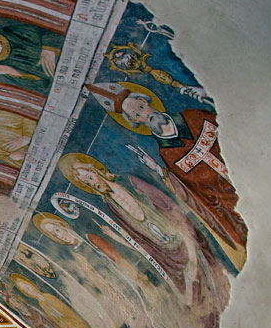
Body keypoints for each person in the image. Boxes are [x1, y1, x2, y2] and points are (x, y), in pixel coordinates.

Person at [86, 81, 247, 265]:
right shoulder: (166, 152)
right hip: (222, 200)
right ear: (136, 122)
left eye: (141, 107)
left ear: (145, 101)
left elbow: (232, 127)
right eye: (137, 115)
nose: (144, 114)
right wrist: (157, 169)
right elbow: (187, 189)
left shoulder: (192, 116)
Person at [57, 152, 229, 310]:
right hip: (162, 252)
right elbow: (137, 238)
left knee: (204, 274)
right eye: (87, 183)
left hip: (178, 236)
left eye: (89, 177)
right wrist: (114, 237)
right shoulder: (110, 204)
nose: (92, 183)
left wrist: (186, 241)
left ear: (95, 170)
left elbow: (168, 207)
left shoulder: (130, 182)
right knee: (187, 294)